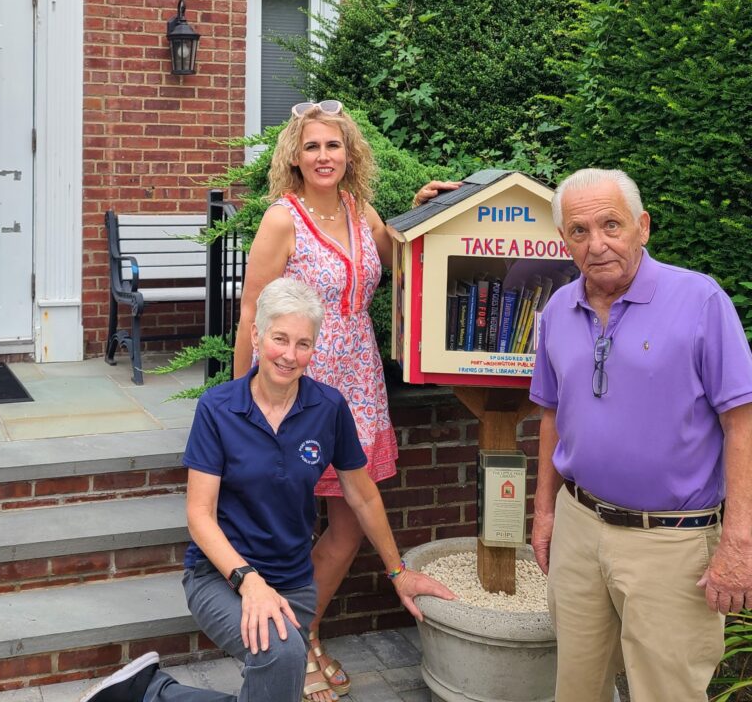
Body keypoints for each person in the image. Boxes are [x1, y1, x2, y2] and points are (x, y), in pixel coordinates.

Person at [82, 277, 455, 702]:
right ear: (257, 335)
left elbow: (362, 494)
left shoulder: (328, 408)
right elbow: (199, 515)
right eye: (280, 339)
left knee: (274, 683)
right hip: (220, 577)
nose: (290, 355)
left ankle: (151, 693)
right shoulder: (219, 409)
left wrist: (398, 572)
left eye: (303, 344)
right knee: (280, 656)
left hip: (294, 584)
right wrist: (248, 581)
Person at [232, 98, 458, 700]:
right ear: (295, 158)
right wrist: (239, 401)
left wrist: (424, 213)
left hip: (357, 382)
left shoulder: (363, 212)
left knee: (349, 522)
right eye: (312, 147)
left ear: (350, 153)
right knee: (287, 523)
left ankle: (302, 633)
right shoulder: (284, 218)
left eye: (333, 145)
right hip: (296, 382)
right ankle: (284, 646)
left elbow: (403, 265)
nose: (324, 156)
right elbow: (252, 309)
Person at [529, 168, 752, 702]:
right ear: (564, 241)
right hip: (580, 529)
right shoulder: (559, 308)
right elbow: (550, 415)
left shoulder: (700, 301)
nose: (597, 244)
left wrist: (739, 541)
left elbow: (741, 421)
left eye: (612, 225)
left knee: (667, 693)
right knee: (576, 688)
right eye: (579, 231)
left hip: (671, 542)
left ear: (643, 227)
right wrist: (544, 512)